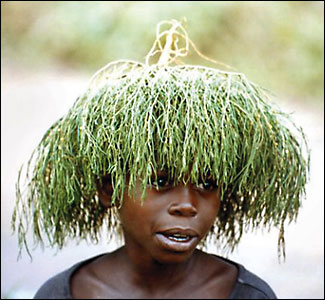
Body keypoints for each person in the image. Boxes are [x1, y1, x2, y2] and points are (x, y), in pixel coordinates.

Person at [12, 20, 309, 299]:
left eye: (207, 183)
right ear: (109, 189)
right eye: (161, 181)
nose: (186, 205)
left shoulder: (248, 295)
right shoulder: (65, 293)